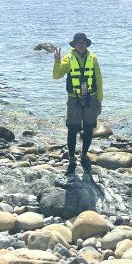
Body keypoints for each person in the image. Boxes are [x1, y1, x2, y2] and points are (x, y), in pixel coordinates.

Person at [53, 32, 103, 175]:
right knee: (72, 128)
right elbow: (57, 76)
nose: (81, 45)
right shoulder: (68, 59)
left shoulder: (93, 58)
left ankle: (84, 155)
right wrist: (57, 62)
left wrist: (99, 99)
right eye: (78, 42)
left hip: (91, 98)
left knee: (88, 128)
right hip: (73, 99)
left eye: (83, 42)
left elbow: (99, 80)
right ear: (74, 45)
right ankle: (71, 158)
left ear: (87, 44)